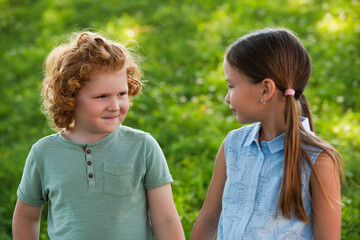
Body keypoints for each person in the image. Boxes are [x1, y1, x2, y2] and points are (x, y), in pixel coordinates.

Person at [12, 31, 185, 240]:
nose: (114, 106)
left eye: (121, 94)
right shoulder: (44, 154)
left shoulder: (143, 147)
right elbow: (26, 216)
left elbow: (165, 219)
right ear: (71, 98)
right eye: (101, 96)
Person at [190, 28, 343, 240]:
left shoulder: (319, 160)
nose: (227, 97)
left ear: (265, 90)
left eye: (231, 86)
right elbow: (208, 220)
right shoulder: (233, 145)